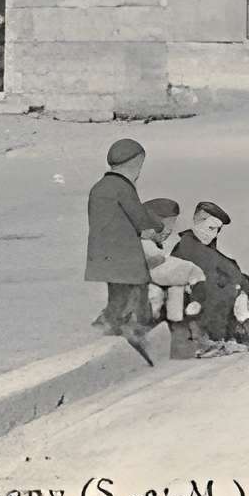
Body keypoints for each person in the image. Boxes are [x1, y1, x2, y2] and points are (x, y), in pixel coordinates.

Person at [84, 138, 155, 362]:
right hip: (124, 252)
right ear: (133, 164)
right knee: (138, 287)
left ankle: (109, 321)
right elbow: (139, 217)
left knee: (117, 290)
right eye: (139, 167)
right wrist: (152, 230)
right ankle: (137, 326)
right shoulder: (124, 188)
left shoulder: (99, 187)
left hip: (102, 252)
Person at [174, 201, 249, 354]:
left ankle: (231, 333)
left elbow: (225, 265)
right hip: (188, 303)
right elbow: (223, 266)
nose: (213, 233)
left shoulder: (199, 242)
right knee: (224, 288)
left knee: (230, 284)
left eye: (217, 230)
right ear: (197, 221)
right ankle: (220, 337)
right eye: (211, 227)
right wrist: (244, 288)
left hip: (193, 298)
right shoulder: (190, 246)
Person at [137, 198, 208, 361]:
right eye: (164, 225)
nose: (169, 231)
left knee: (178, 294)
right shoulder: (145, 246)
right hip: (145, 302)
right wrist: (194, 276)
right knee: (179, 296)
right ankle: (184, 348)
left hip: (150, 301)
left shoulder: (147, 244)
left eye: (171, 225)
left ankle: (184, 347)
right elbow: (161, 270)